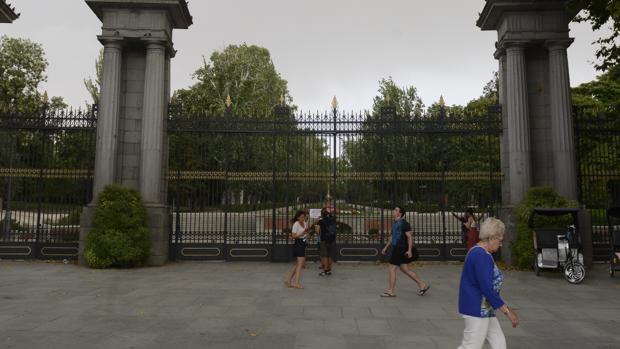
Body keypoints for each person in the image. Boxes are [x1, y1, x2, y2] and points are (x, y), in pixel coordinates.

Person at [457, 217, 519, 349]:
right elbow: (487, 289)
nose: (500, 244)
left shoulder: (479, 252)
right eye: (500, 240)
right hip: (477, 309)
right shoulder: (481, 256)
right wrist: (507, 311)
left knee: (499, 343)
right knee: (471, 346)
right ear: (492, 237)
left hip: (483, 307)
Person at [380, 206, 430, 297]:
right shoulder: (395, 223)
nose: (393, 211)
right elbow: (392, 237)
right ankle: (422, 285)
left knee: (392, 268)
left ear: (400, 213)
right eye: (394, 209)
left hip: (400, 248)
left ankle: (391, 291)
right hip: (397, 248)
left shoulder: (404, 224)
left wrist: (409, 250)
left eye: (396, 210)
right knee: (404, 269)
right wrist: (386, 247)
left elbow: (410, 237)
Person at [285, 210, 310, 289]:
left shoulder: (305, 223)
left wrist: (308, 235)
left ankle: (288, 280)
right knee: (300, 265)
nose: (303, 218)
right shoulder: (296, 224)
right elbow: (293, 236)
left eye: (304, 217)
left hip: (303, 243)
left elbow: (306, 233)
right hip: (298, 243)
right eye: (302, 217)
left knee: (297, 265)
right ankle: (297, 283)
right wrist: (301, 234)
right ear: (298, 217)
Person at [318, 204, 337, 276]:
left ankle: (325, 270)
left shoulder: (321, 221)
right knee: (330, 255)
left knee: (325, 256)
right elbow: (333, 216)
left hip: (324, 239)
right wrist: (331, 213)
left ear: (322, 214)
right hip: (332, 239)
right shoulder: (333, 219)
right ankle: (329, 270)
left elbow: (317, 231)